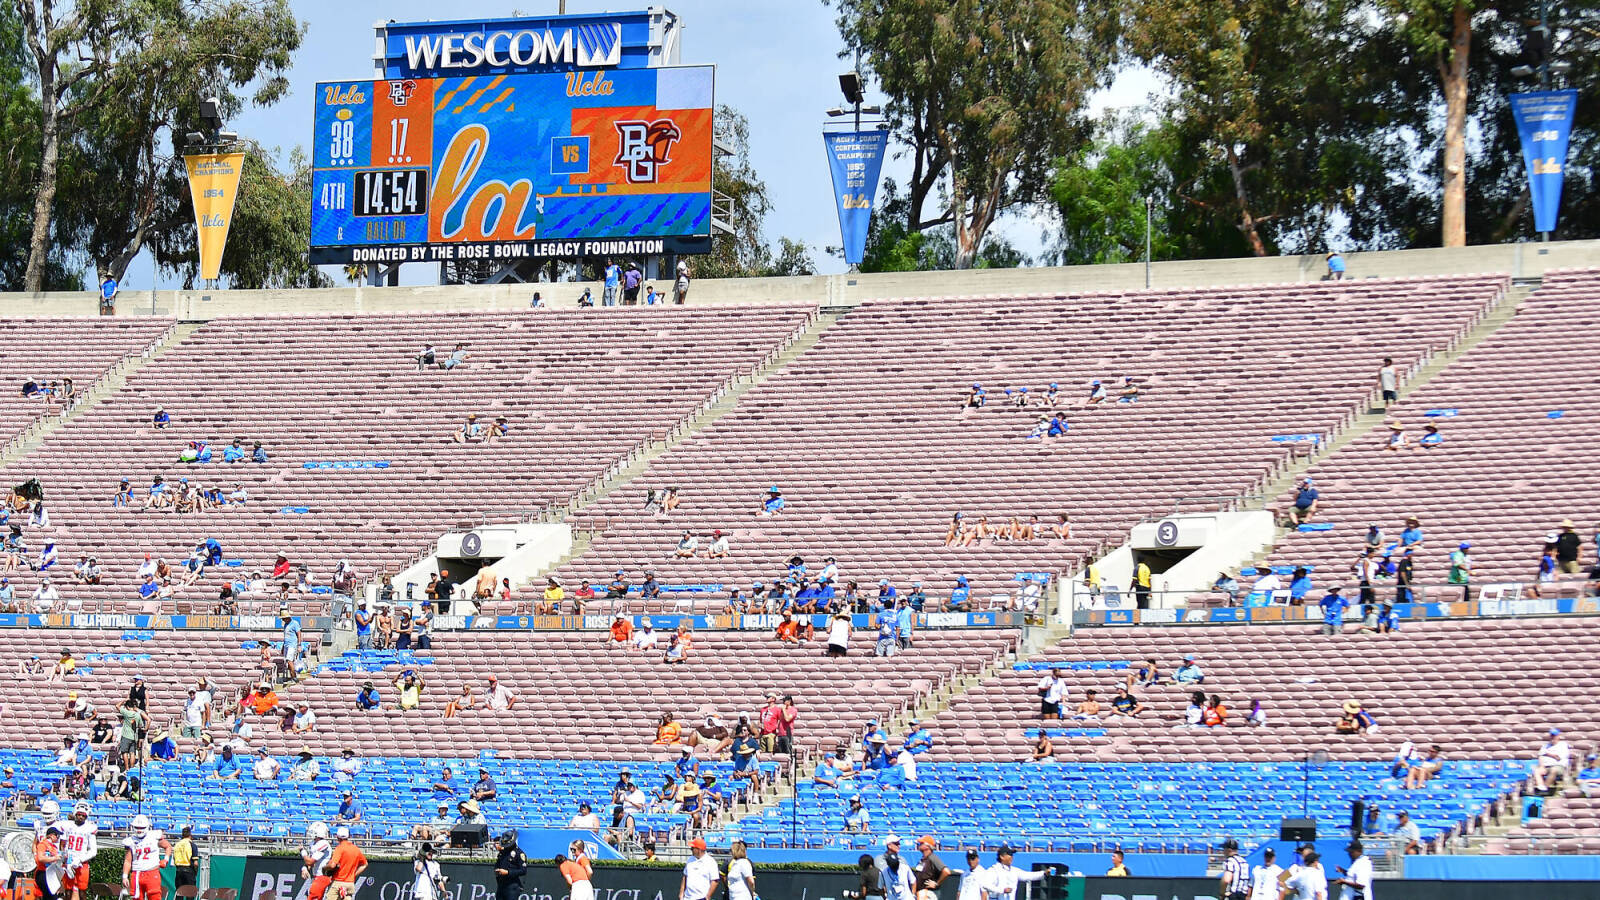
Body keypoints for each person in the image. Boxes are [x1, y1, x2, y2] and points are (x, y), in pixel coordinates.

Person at [121, 815, 170, 900]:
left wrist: (166, 860)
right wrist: (125, 876)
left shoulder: (154, 836)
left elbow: (168, 846)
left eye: (141, 827)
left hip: (152, 872)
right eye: (137, 827)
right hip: (137, 873)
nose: (139, 830)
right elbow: (128, 861)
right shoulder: (130, 841)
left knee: (154, 896)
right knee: (136, 898)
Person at [979, 846, 1049, 900]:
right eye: (1009, 854)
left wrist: (1044, 873)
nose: (1012, 857)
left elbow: (1028, 875)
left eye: (1012, 855)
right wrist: (1002, 890)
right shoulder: (993, 870)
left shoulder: (1014, 871)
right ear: (1002, 856)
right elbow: (986, 885)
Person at [328, 826, 368, 900]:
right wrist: (353, 875)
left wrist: (326, 869)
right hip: (350, 883)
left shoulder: (339, 848)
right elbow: (365, 864)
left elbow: (332, 865)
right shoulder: (355, 849)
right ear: (348, 836)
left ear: (337, 837)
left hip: (338, 882)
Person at [1532, 728, 1571, 794]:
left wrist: (1547, 753)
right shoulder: (1545, 746)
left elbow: (1558, 757)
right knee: (1537, 771)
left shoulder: (1563, 745)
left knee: (1554, 770)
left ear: (1558, 736)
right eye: (1551, 735)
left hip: (1559, 766)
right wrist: (1542, 766)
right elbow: (1540, 756)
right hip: (1546, 766)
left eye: (1554, 735)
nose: (1553, 737)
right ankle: (1541, 788)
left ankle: (1545, 788)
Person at [493, 832, 527, 900]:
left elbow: (523, 871)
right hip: (501, 885)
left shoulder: (519, 853)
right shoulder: (502, 853)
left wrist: (508, 872)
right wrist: (497, 870)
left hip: (512, 886)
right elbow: (498, 864)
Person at [172, 826, 198, 892]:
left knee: (179, 893)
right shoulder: (192, 845)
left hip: (178, 871)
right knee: (190, 893)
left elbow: (174, 859)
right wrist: (195, 872)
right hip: (189, 870)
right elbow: (195, 863)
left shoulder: (177, 845)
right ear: (190, 835)